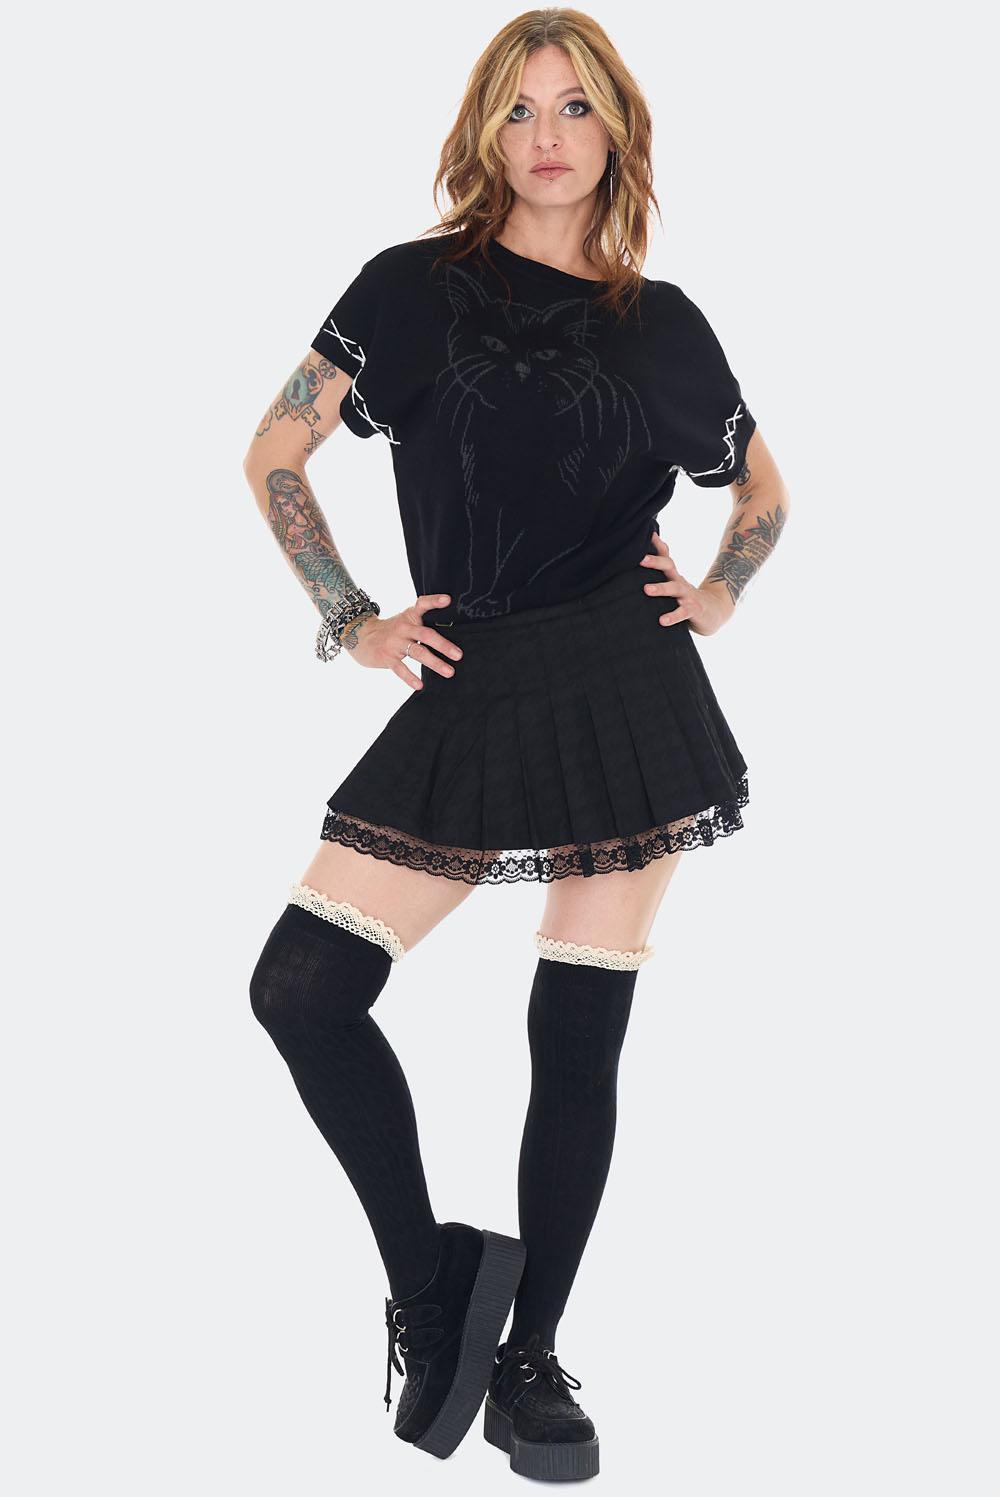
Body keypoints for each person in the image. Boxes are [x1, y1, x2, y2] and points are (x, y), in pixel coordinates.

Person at [244, 9, 789, 1482]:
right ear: (485, 134)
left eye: (576, 107)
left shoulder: (662, 324)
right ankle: (434, 1285)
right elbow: (274, 450)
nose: (548, 137)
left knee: (577, 1036)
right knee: (303, 989)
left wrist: (721, 591)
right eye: (519, 110)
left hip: (625, 683)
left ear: (618, 130)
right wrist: (351, 618)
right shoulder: (410, 290)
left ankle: (531, 1354)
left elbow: (764, 490)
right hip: (472, 675)